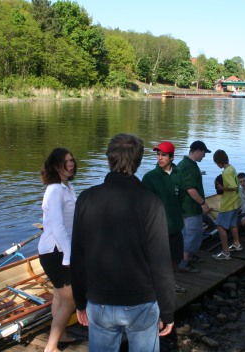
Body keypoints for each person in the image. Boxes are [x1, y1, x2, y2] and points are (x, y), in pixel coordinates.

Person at [70, 134, 175, 351]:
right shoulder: (151, 202)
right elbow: (161, 262)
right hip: (142, 302)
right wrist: (167, 311)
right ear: (138, 162)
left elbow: (77, 256)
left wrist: (79, 302)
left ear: (109, 159)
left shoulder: (87, 199)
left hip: (99, 301)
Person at [37, 147, 78, 352]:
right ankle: (51, 347)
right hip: (56, 252)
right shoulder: (54, 190)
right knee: (71, 300)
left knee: (60, 296)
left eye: (71, 160)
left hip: (61, 250)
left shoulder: (67, 187)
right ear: (55, 165)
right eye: (66, 161)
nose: (70, 164)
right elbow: (57, 227)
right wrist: (69, 256)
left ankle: (61, 335)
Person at [142, 141, 188, 293]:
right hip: (157, 229)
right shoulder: (150, 177)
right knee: (157, 261)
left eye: (164, 155)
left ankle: (172, 284)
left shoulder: (179, 174)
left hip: (175, 226)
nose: (160, 158)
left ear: (172, 157)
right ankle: (155, 288)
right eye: (158, 154)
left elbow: (181, 196)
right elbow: (145, 203)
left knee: (175, 259)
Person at [177, 140, 212, 272]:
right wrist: (203, 203)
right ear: (198, 151)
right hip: (191, 208)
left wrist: (199, 174)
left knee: (189, 234)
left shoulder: (184, 163)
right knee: (191, 235)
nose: (204, 156)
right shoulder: (190, 166)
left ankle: (191, 256)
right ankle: (184, 263)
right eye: (204, 153)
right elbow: (190, 188)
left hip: (184, 207)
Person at [211, 150, 242, 260]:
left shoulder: (226, 172)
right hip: (236, 202)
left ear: (219, 161)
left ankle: (226, 253)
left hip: (228, 203)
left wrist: (221, 188)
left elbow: (233, 186)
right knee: (233, 224)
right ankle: (237, 244)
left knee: (220, 226)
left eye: (216, 163)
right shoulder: (231, 168)